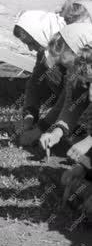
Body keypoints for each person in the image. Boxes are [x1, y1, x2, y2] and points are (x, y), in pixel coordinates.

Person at [13, 10, 66, 145]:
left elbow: (71, 97)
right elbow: (35, 83)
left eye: (31, 43)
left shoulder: (72, 48)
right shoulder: (46, 50)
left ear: (40, 34)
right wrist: (30, 115)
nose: (31, 49)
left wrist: (41, 129)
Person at [38, 24, 92, 155]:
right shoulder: (78, 74)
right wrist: (56, 133)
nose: (68, 72)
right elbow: (72, 106)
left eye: (70, 65)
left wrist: (89, 142)